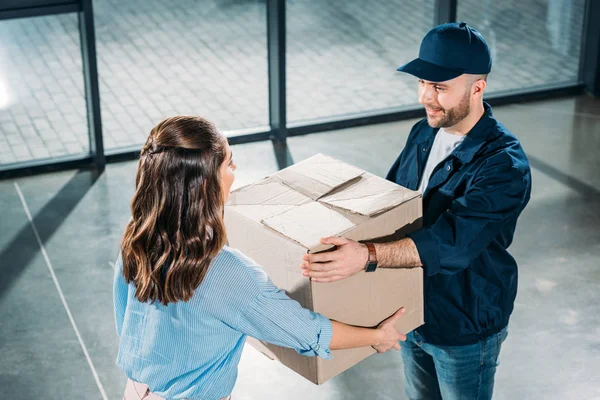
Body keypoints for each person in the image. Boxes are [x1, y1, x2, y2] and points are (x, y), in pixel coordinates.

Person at [300, 22, 532, 400]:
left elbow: (452, 245)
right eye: (423, 83)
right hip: (412, 312)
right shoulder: (424, 133)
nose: (426, 96)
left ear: (477, 88)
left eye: (440, 87)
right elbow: (392, 206)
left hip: (464, 323)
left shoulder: (503, 165)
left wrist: (368, 256)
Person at [113, 116, 407, 400]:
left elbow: (126, 318)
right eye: (229, 163)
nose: (235, 169)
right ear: (206, 184)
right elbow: (309, 333)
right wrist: (377, 336)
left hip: (137, 391)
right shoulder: (226, 272)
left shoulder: (135, 238)